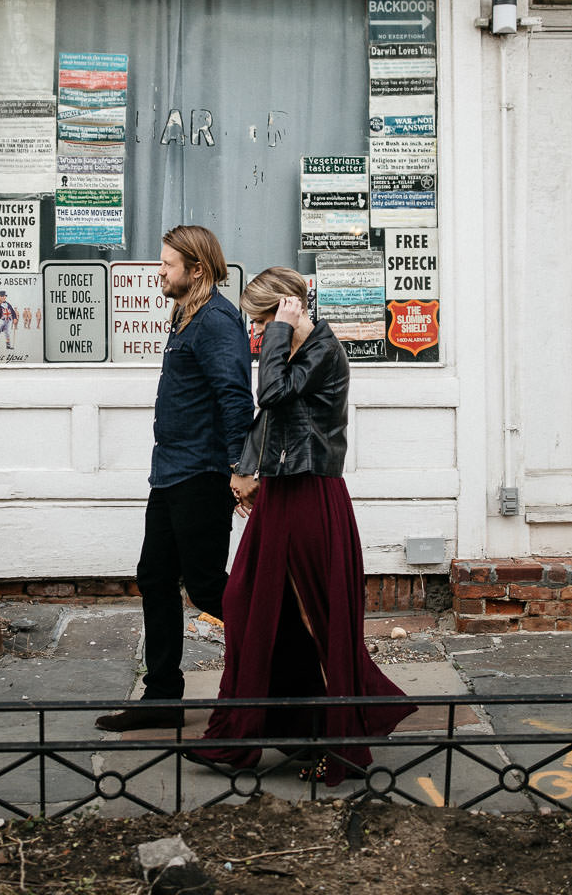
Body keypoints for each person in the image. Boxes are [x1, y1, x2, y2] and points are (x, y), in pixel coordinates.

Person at [194, 267, 414, 784]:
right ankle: (276, 729)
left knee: (318, 616)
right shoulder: (292, 348)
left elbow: (269, 393)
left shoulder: (321, 350)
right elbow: (269, 419)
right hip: (284, 492)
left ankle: (340, 745)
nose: (258, 330)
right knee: (249, 604)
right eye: (257, 322)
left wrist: (278, 332)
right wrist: (247, 472)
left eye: (264, 317)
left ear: (289, 308)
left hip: (311, 495)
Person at [96, 225, 253, 732]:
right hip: (170, 471)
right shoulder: (185, 317)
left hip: (203, 474)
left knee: (207, 589)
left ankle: (283, 659)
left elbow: (235, 397)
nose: (159, 272)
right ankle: (163, 696)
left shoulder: (216, 322)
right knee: (155, 576)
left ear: (197, 270)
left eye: (167, 265)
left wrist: (240, 469)